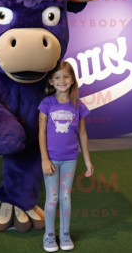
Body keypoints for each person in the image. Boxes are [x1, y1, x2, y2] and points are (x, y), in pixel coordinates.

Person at [38, 61, 94, 252]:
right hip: (51, 160)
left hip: (71, 159)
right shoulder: (47, 103)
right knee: (52, 197)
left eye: (66, 76)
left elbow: (83, 134)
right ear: (51, 81)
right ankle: (49, 235)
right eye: (57, 77)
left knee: (66, 197)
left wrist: (87, 160)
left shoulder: (78, 106)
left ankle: (64, 233)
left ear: (72, 80)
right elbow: (42, 132)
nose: (62, 80)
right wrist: (44, 159)